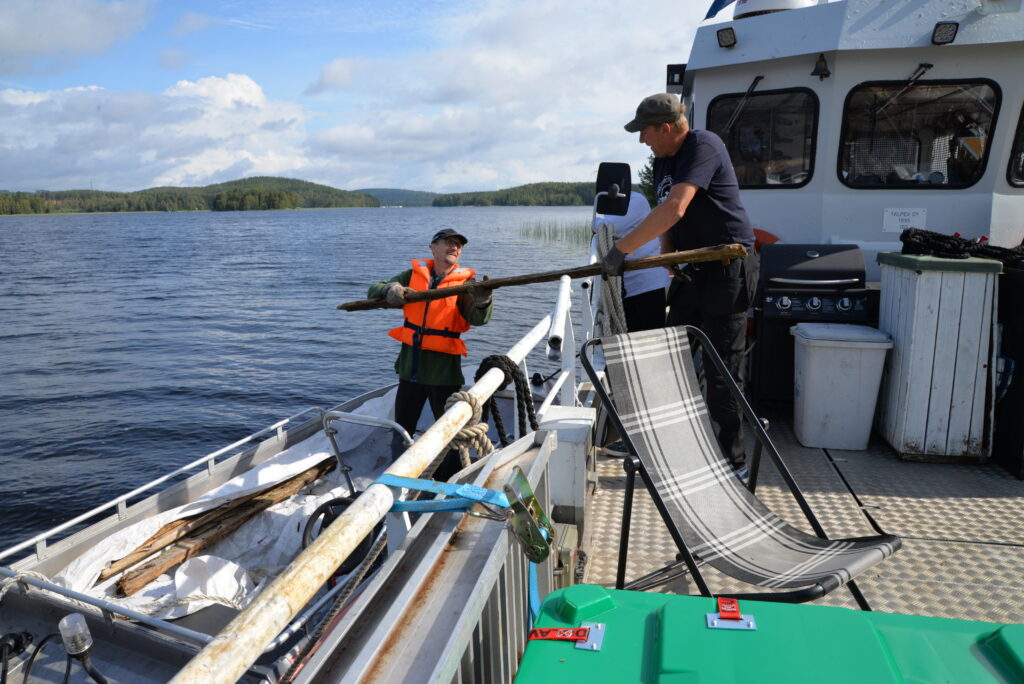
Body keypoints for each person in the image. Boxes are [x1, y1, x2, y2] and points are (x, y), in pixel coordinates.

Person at [601, 92, 758, 474]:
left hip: (727, 267)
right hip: (692, 270)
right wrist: (669, 256)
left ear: (667, 128)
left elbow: (676, 207)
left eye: (645, 132)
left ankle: (730, 459)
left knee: (722, 368)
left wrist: (620, 251)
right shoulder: (664, 160)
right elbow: (667, 214)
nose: (642, 140)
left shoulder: (703, 145)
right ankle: (650, 443)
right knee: (666, 360)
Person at [368, 228, 493, 477]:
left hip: (443, 374)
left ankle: (448, 479)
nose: (454, 247)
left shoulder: (466, 284)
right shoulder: (411, 276)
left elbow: (479, 319)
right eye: (449, 242)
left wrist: (483, 300)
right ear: (432, 247)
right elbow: (373, 290)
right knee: (401, 428)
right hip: (409, 371)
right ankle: (398, 474)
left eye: (458, 245)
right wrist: (389, 289)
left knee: (448, 432)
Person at [592, 192, 667, 331]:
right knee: (629, 332)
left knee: (653, 335)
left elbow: (608, 227)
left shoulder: (636, 201)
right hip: (624, 285)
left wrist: (596, 218)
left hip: (648, 284)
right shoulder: (610, 209)